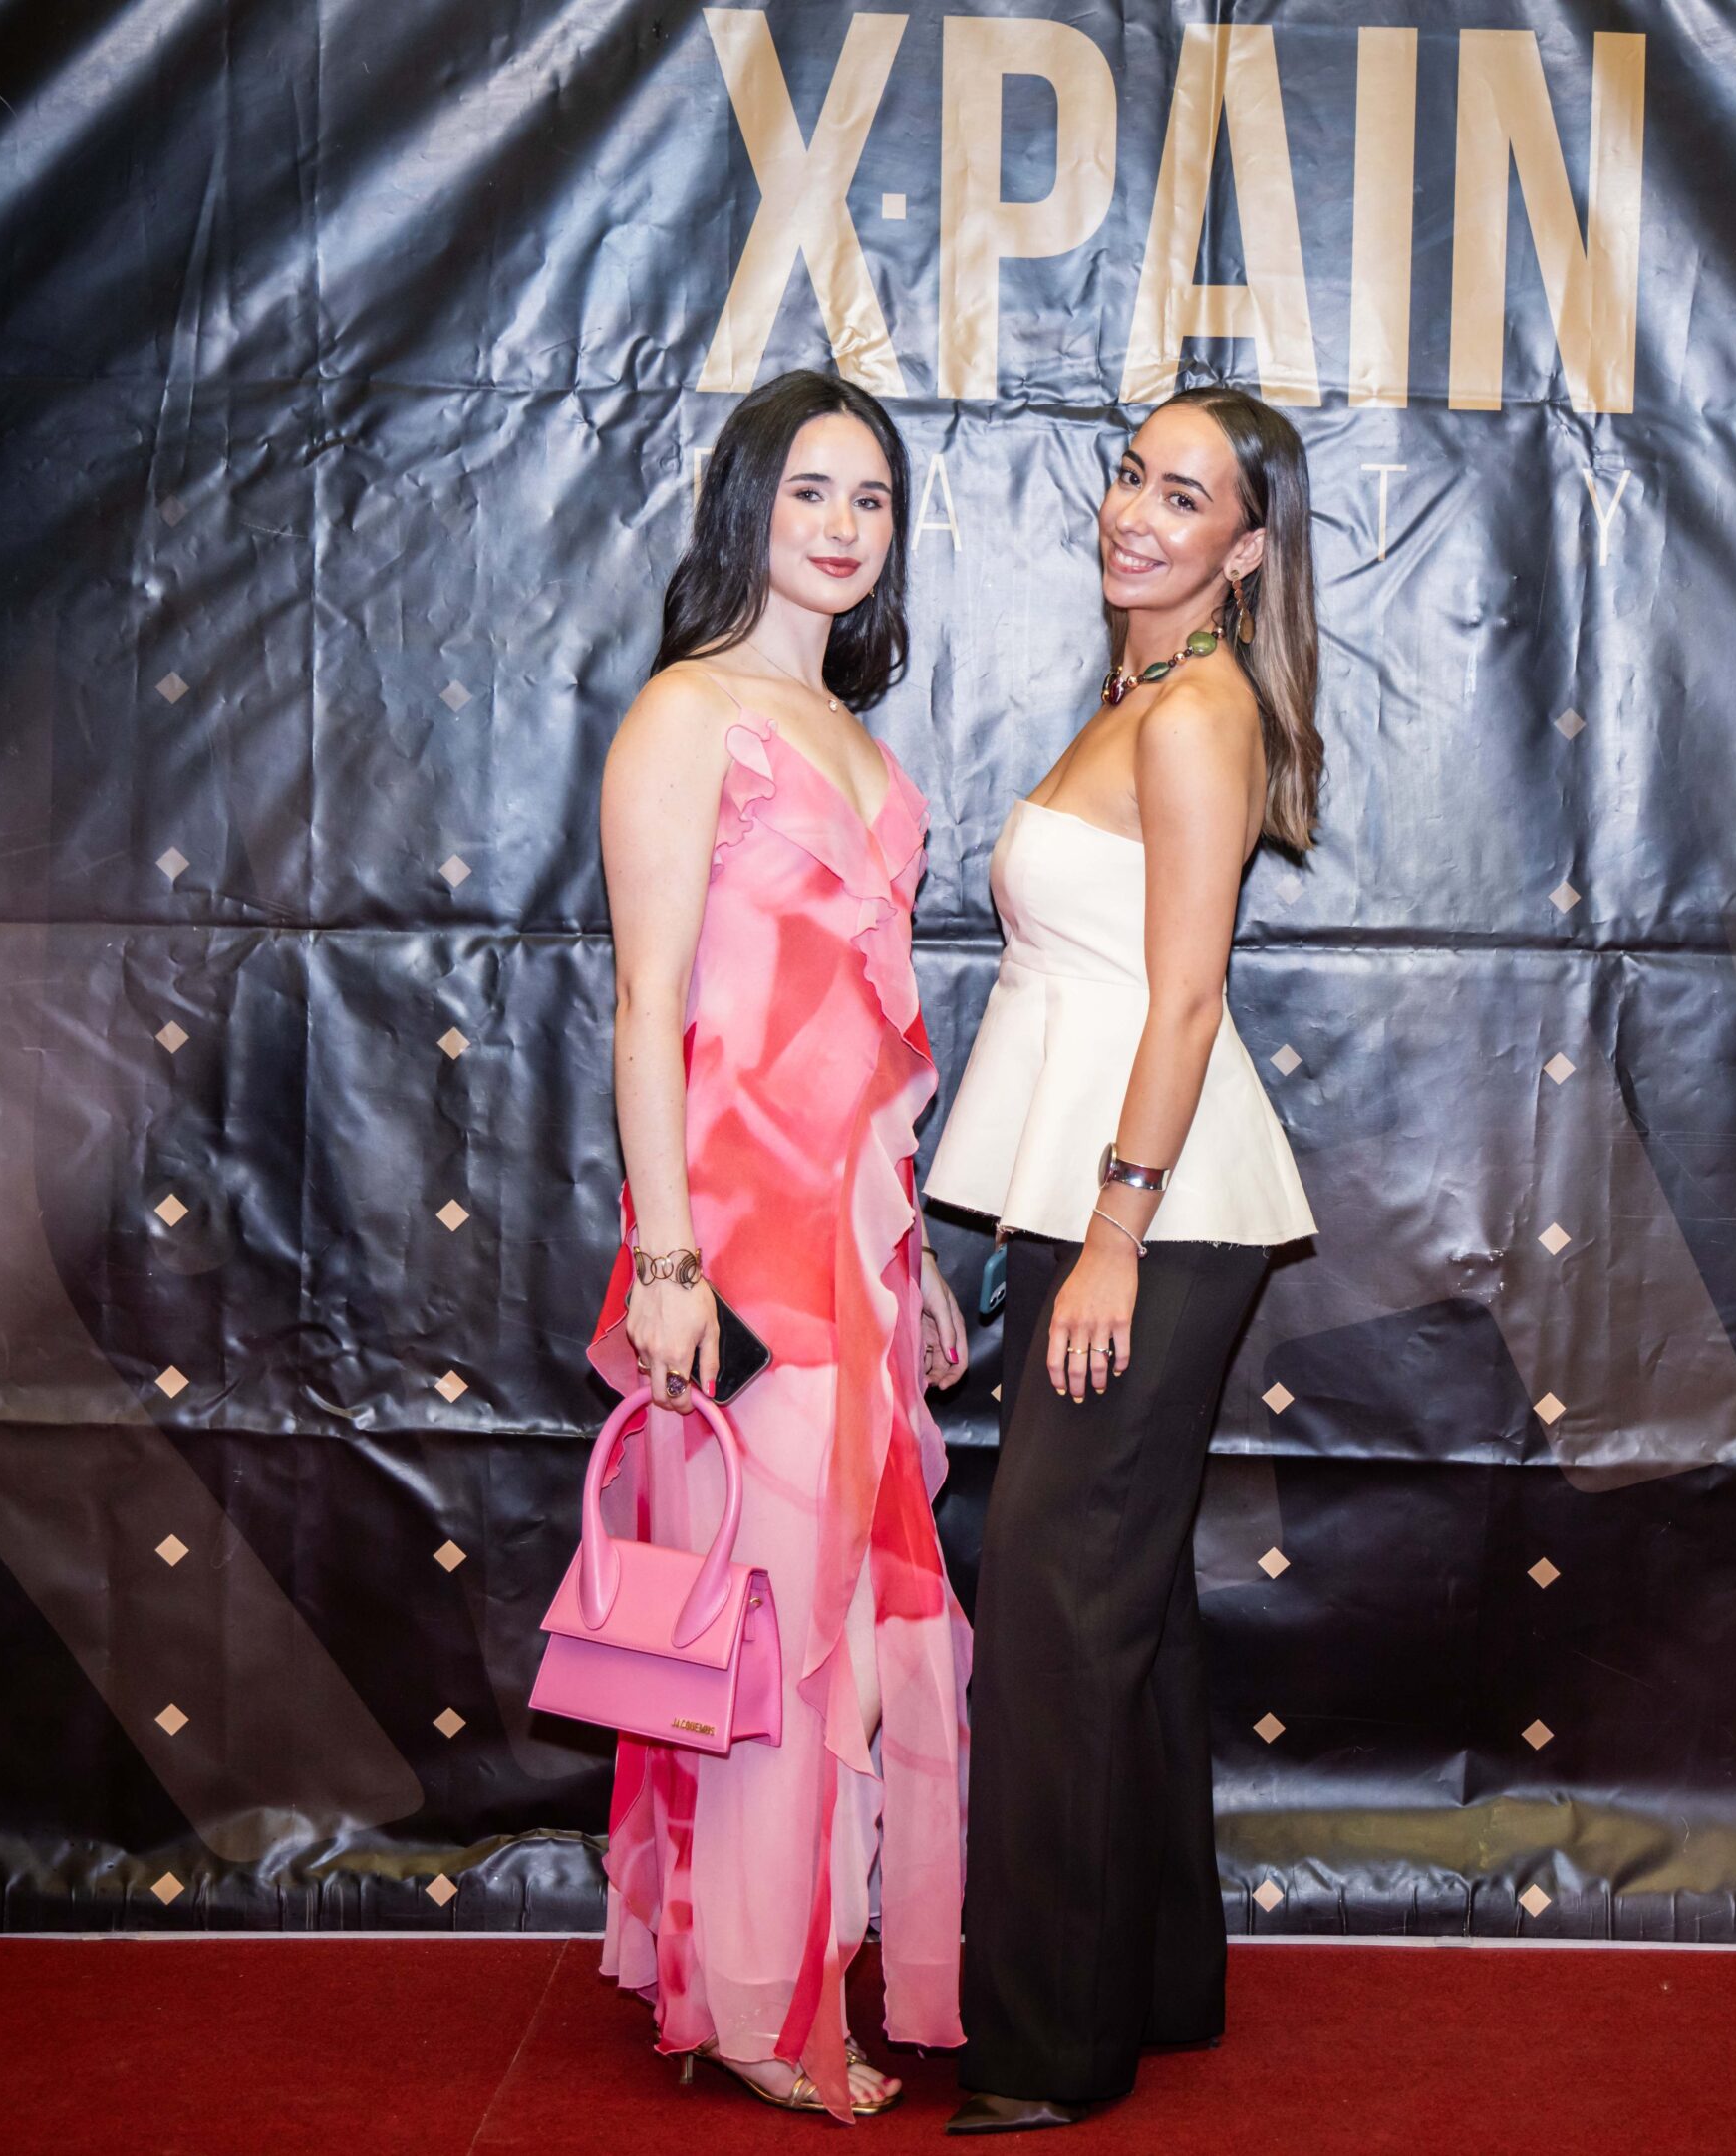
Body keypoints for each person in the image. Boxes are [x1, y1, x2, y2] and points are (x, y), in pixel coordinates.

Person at [923, 385, 1323, 2131]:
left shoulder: (1199, 710)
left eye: (1186, 497)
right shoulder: (1142, 693)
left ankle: (1047, 2051)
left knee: (1055, 1619)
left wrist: (1110, 1234)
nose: (1136, 513)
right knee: (1118, 1601)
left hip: (1146, 1220)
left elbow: (1184, 1002)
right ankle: (1155, 1984)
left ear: (1246, 551)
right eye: (1131, 476)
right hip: (1095, 1205)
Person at [588, 367, 973, 2121]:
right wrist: (669, 1262)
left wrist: (919, 1254)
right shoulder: (686, 717)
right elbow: (647, 1002)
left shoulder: (863, 746)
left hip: (859, 1250)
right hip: (737, 1251)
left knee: (855, 1636)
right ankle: (755, 2009)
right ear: (747, 505)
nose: (841, 525)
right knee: (771, 1630)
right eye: (811, 489)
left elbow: (876, 1047)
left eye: (869, 499)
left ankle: (785, 1960)